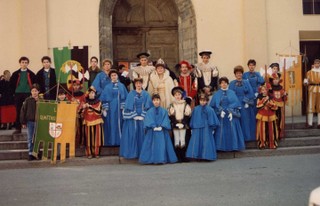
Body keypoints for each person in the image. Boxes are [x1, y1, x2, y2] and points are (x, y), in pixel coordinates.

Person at [139, 94, 178, 164]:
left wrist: (161, 126)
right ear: (152, 101)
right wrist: (153, 126)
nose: (156, 102)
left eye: (157, 100)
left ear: (159, 101)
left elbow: (166, 119)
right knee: (151, 145)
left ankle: (161, 159)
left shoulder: (164, 111)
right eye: (154, 100)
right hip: (152, 131)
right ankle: (151, 159)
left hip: (162, 131)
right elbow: (148, 119)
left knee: (161, 145)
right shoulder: (149, 111)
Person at [120, 78, 153, 159]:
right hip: (133, 119)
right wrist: (134, 115)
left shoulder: (146, 94)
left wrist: (142, 115)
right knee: (133, 135)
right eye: (137, 83)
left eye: (140, 83)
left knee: (143, 135)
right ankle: (133, 153)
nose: (138, 85)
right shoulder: (131, 94)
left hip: (143, 118)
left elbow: (148, 106)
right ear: (135, 85)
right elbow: (127, 107)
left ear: (142, 84)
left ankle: (143, 153)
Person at [210, 77, 245, 151]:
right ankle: (220, 147)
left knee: (232, 129)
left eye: (225, 83)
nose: (224, 84)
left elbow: (236, 104)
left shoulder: (232, 92)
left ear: (227, 84)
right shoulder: (216, 94)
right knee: (221, 130)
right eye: (222, 83)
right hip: (221, 116)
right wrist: (219, 111)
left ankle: (233, 146)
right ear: (220, 84)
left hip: (231, 115)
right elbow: (212, 106)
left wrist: (232, 112)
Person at [186, 93, 219, 161]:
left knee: (206, 141)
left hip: (206, 127)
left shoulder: (210, 109)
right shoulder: (196, 109)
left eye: (204, 100)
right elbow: (193, 118)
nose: (202, 102)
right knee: (197, 141)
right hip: (197, 127)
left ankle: (206, 156)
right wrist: (192, 126)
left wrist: (212, 127)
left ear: (207, 101)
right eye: (201, 100)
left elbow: (212, 119)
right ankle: (197, 156)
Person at [100, 69, 128, 146]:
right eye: (112, 75)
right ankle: (111, 141)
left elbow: (125, 97)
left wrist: (124, 108)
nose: (113, 77)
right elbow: (104, 98)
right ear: (110, 77)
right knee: (111, 123)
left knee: (120, 123)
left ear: (117, 76)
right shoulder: (107, 87)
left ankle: (120, 141)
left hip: (119, 109)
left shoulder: (122, 86)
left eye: (115, 75)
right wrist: (105, 108)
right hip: (110, 109)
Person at [10, 56, 37, 134]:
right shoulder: (15, 74)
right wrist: (13, 94)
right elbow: (11, 85)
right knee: (18, 110)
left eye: (26, 62)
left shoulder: (31, 74)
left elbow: (34, 84)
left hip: (28, 93)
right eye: (22, 62)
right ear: (20, 63)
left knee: (30, 111)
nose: (24, 64)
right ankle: (18, 128)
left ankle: (31, 128)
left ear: (28, 63)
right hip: (18, 94)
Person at [229, 65, 256, 141]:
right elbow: (230, 94)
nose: (239, 75)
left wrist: (246, 101)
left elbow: (251, 93)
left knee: (245, 120)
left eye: (240, 73)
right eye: (237, 73)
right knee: (237, 121)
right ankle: (238, 138)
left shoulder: (246, 82)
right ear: (235, 74)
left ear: (242, 74)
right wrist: (234, 104)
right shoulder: (232, 83)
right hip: (235, 103)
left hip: (245, 104)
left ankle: (246, 137)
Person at [168, 86, 192, 162]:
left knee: (183, 139)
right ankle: (177, 156)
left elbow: (187, 114)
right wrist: (175, 123)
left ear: (182, 95)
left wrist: (183, 122)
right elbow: (171, 115)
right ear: (174, 96)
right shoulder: (172, 105)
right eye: (176, 95)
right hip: (175, 124)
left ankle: (183, 156)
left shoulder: (185, 104)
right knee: (176, 139)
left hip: (183, 124)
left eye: (179, 94)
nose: (177, 96)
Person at [81, 87, 104, 159]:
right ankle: (89, 153)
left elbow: (100, 112)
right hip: (87, 122)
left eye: (93, 93)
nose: (91, 94)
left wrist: (91, 108)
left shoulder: (99, 102)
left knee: (97, 139)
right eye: (90, 93)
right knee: (88, 139)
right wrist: (83, 108)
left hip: (97, 121)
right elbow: (79, 113)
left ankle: (97, 153)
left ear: (95, 94)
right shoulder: (84, 102)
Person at [20, 83, 40, 161]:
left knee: (38, 138)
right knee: (30, 138)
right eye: (32, 91)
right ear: (31, 92)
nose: (34, 92)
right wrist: (23, 122)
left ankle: (37, 153)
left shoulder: (41, 100)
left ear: (38, 91)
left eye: (36, 91)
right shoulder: (27, 100)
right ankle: (30, 153)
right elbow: (23, 111)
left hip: (39, 122)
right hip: (30, 121)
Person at [256, 83, 278, 149]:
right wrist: (264, 101)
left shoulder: (271, 97)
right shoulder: (259, 98)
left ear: (267, 90)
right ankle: (262, 143)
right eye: (263, 90)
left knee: (271, 130)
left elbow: (275, 107)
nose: (264, 91)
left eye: (265, 90)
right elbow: (258, 106)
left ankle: (271, 143)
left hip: (270, 115)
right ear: (261, 91)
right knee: (262, 130)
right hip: (262, 115)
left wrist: (270, 104)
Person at [67, 79, 86, 148]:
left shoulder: (82, 94)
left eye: (77, 85)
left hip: (79, 114)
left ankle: (81, 143)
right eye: (74, 85)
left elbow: (83, 102)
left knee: (80, 129)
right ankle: (71, 143)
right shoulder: (69, 94)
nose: (76, 87)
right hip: (71, 115)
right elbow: (67, 103)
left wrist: (80, 109)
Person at [269, 73, 287, 139]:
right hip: (273, 106)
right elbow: (268, 96)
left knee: (280, 120)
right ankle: (273, 133)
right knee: (273, 120)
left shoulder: (281, 88)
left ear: (279, 80)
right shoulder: (270, 88)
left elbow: (284, 99)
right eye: (274, 79)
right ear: (272, 80)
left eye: (277, 79)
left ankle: (280, 133)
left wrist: (285, 95)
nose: (275, 80)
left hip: (280, 107)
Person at [303, 58, 320, 128]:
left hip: (319, 89)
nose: (317, 64)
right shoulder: (309, 72)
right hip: (312, 89)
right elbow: (305, 81)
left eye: (318, 63)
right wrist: (305, 82)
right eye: (316, 63)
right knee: (311, 106)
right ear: (314, 64)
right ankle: (310, 123)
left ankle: (319, 123)